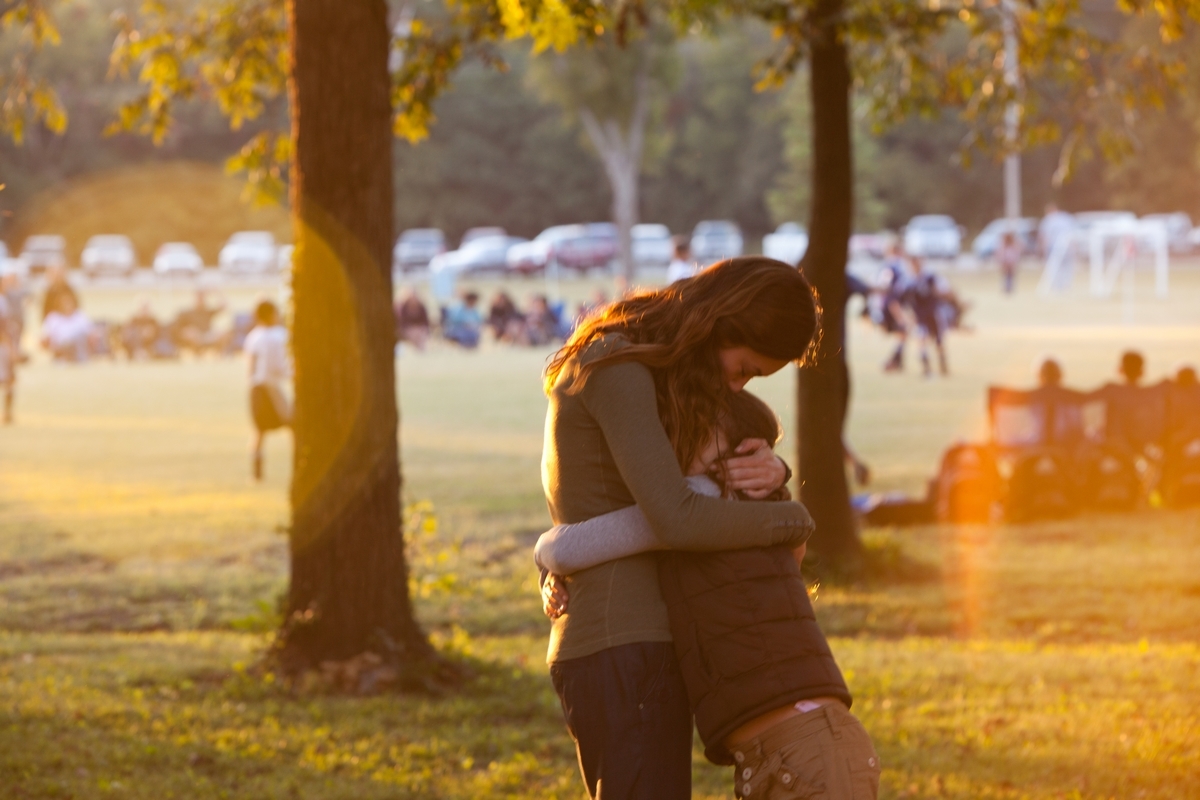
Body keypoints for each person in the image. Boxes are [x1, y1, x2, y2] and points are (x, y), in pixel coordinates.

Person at [538, 257, 820, 799]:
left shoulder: (648, 371)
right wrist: (794, 519)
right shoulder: (615, 366)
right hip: (622, 642)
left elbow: (685, 479)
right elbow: (675, 516)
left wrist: (773, 469)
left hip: (648, 640)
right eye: (744, 368)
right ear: (721, 323)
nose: (737, 385)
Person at [536, 390, 878, 800]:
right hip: (780, 756)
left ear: (746, 453)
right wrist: (555, 574)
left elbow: (569, 548)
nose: (672, 444)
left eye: (697, 433)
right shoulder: (721, 516)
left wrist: (546, 556)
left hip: (808, 752)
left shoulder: (706, 508)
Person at [244, 300, 291, 481]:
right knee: (293, 423)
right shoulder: (276, 336)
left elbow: (250, 366)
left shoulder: (253, 336)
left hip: (254, 388)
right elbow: (278, 366)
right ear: (271, 315)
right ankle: (300, 461)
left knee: (259, 430)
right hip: (270, 387)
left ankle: (256, 473)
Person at [904, 257, 949, 377]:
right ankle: (926, 368)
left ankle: (943, 363)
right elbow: (905, 301)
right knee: (921, 339)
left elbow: (941, 291)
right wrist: (909, 316)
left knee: (939, 340)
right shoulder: (908, 282)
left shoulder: (930, 278)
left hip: (933, 313)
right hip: (919, 316)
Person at [878, 244, 911, 372]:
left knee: (903, 333)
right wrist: (898, 314)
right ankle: (893, 362)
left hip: (889, 305)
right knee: (903, 331)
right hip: (892, 305)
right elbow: (891, 292)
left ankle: (896, 362)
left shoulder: (887, 266)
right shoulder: (895, 266)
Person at [40, 294, 96, 362]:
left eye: (68, 303)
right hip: (62, 347)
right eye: (64, 303)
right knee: (66, 343)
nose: (67, 305)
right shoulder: (53, 318)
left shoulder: (80, 315)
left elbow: (91, 333)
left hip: (80, 345)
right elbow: (45, 338)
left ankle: (77, 356)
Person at [997, 230, 1022, 294]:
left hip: (1011, 263)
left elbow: (1016, 255)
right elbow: (1001, 255)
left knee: (1011, 276)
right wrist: (1003, 263)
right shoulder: (1004, 247)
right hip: (1006, 263)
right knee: (1006, 276)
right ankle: (1006, 288)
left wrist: (1014, 263)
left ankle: (1010, 288)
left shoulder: (1014, 246)